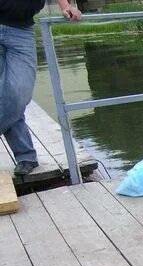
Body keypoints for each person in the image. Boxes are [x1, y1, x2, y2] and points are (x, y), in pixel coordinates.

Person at [1, 1, 81, 177]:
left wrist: (65, 6)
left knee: (19, 93)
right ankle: (26, 156)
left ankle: (26, 156)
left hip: (21, 31)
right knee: (5, 96)